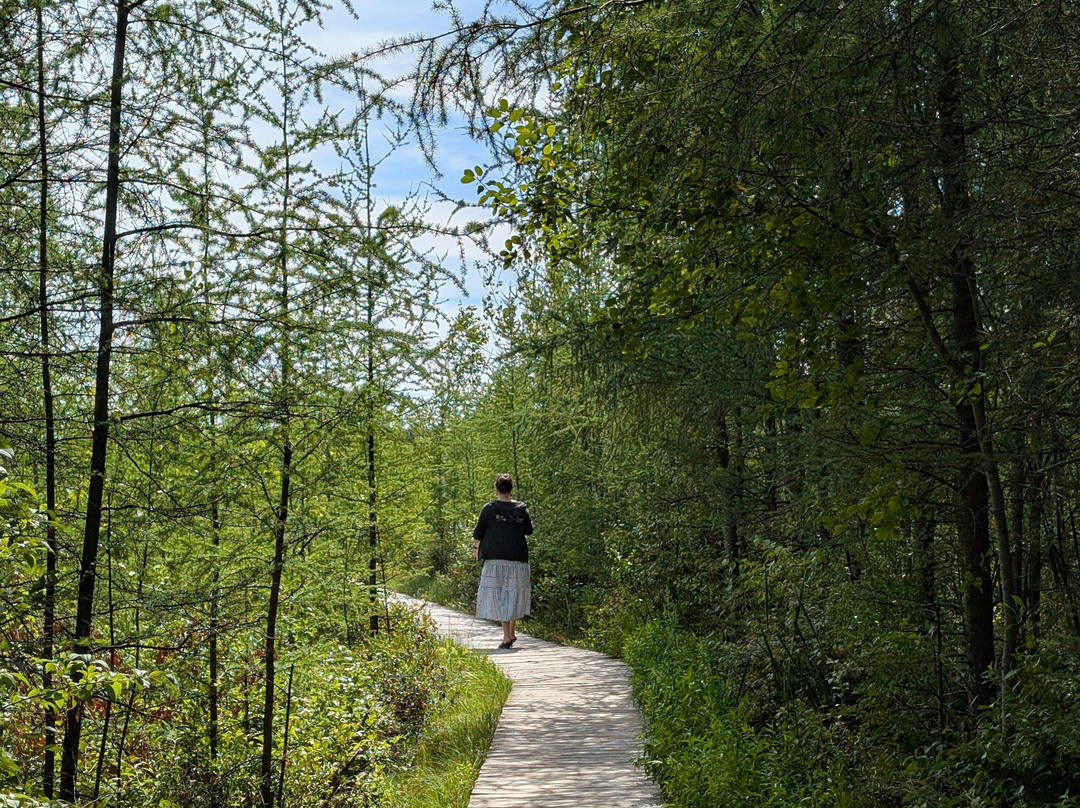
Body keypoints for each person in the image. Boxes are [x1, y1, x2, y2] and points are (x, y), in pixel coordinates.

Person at [473, 473, 533, 649]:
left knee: (501, 595)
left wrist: (477, 549)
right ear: (511, 490)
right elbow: (528, 530)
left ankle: (507, 637)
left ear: (496, 489)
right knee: (513, 594)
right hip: (518, 558)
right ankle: (510, 634)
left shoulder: (489, 508)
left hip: (495, 559)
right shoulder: (521, 509)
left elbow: (478, 532)